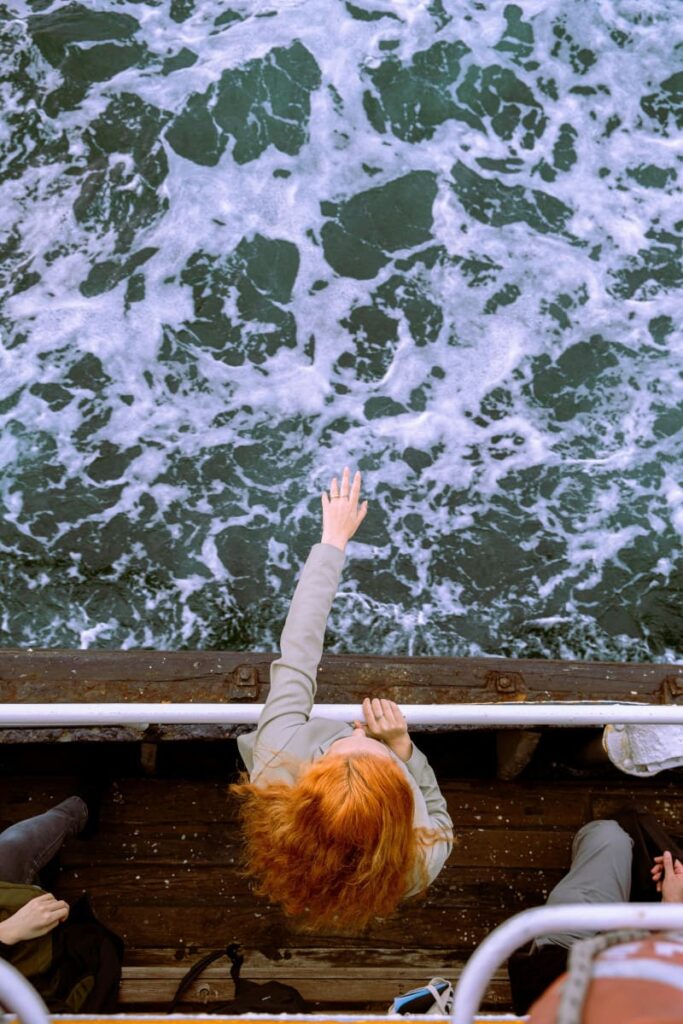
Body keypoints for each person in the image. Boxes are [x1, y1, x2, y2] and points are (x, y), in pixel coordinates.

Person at [231, 466, 453, 932]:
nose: (357, 727)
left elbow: (299, 650)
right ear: (399, 804)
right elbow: (440, 818)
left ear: (308, 785)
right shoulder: (420, 861)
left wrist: (332, 542)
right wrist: (402, 750)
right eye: (369, 743)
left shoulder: (279, 759)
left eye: (340, 747)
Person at [508, 818, 683, 1023]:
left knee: (608, 836)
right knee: (611, 835)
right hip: (638, 960)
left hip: (571, 968)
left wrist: (669, 915)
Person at [0, 794, 123, 1012]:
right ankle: (81, 808)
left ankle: (80, 811)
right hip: (28, 971)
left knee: (10, 849)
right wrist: (8, 934)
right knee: (9, 853)